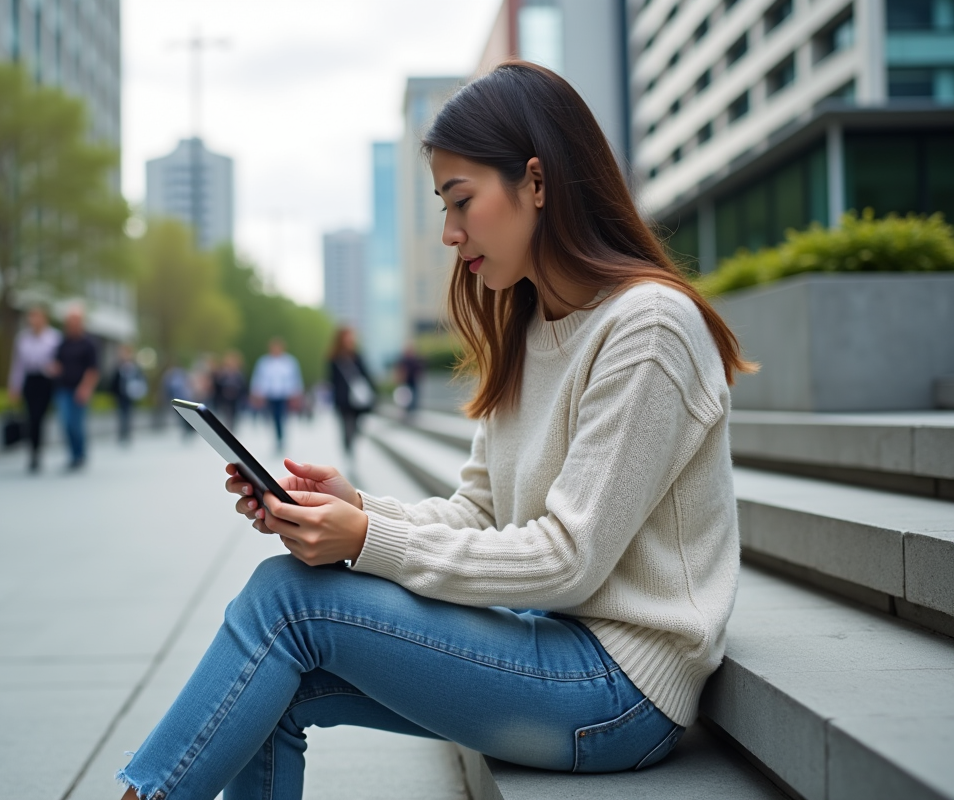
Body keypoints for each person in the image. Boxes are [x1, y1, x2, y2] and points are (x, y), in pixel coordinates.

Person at [116, 62, 754, 800]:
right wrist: (360, 511)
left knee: (287, 601)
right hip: (549, 646)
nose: (450, 233)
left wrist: (363, 543)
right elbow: (478, 516)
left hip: (617, 692)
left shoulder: (647, 327)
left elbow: (567, 558)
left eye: (461, 201)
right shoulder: (530, 325)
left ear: (538, 183)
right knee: (272, 678)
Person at [7, 306, 61, 473]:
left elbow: (59, 361)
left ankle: (38, 451)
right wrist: (14, 386)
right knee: (31, 417)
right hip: (30, 381)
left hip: (46, 381)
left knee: (40, 417)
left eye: (37, 317)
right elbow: (18, 365)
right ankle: (33, 453)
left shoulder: (54, 338)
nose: (34, 320)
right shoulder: (23, 338)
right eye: (31, 317)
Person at [52, 305, 99, 470]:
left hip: (80, 389)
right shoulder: (63, 343)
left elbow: (93, 369)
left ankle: (80, 454)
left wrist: (86, 388)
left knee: (76, 424)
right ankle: (72, 454)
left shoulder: (88, 344)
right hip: (63, 389)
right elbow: (57, 363)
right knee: (65, 422)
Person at [328, 326, 376, 464]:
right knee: (346, 427)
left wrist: (373, 393)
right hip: (343, 400)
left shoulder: (357, 356)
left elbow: (366, 375)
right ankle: (348, 449)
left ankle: (351, 446)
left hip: (359, 400)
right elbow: (332, 380)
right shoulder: (334, 358)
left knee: (356, 426)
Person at [249, 337, 303, 452]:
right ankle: (277, 438)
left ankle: (281, 438)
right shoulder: (264, 362)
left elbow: (295, 379)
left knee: (281, 417)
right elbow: (259, 379)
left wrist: (296, 394)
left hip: (284, 395)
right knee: (273, 417)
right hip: (270, 395)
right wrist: (257, 394)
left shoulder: (289, 362)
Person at [109, 344, 147, 445]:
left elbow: (140, 380)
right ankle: (122, 434)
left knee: (128, 415)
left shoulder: (134, 368)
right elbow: (114, 381)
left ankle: (127, 434)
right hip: (120, 395)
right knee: (121, 416)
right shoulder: (119, 367)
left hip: (130, 396)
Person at [212, 350, 248, 430]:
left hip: (236, 396)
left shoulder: (239, 373)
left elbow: (243, 385)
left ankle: (232, 426)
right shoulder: (223, 373)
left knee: (234, 413)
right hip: (224, 397)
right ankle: (227, 425)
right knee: (226, 412)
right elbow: (218, 384)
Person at [396, 344, 425, 416]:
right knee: (406, 397)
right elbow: (400, 370)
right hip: (406, 382)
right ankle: (407, 409)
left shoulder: (415, 360)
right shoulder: (404, 360)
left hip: (413, 381)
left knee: (414, 396)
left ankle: (413, 410)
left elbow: (419, 370)